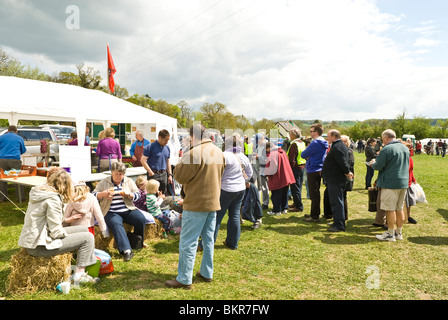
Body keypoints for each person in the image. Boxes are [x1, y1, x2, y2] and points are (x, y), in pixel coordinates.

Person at [165, 124, 225, 290]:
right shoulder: (218, 151)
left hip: (196, 204)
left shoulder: (193, 153)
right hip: (213, 202)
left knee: (188, 242)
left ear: (193, 136)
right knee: (208, 240)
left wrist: (179, 162)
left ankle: (184, 278)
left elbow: (180, 177)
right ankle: (207, 272)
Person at [17, 169, 99, 288]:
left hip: (37, 239)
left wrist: (68, 225)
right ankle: (79, 276)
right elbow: (56, 232)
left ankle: (78, 263)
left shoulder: (41, 192)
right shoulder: (52, 199)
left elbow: (51, 222)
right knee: (88, 237)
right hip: (40, 246)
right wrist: (72, 239)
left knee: (83, 230)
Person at [93, 162, 146, 261]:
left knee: (140, 218)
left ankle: (136, 241)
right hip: (110, 211)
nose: (119, 176)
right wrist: (102, 194)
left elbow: (138, 195)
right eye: (116, 173)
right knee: (116, 223)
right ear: (112, 173)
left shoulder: (129, 181)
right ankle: (126, 250)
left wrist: (129, 195)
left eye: (121, 174)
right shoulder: (104, 182)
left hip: (127, 208)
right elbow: (93, 195)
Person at [212, 134, 253, 250]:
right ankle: (232, 243)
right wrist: (241, 180)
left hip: (226, 189)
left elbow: (216, 172)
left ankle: (208, 243)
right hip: (240, 190)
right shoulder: (243, 156)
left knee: (217, 217)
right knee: (234, 216)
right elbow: (249, 173)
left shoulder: (224, 155)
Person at [370, 129, 409, 241]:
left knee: (390, 209)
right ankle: (399, 233)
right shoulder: (404, 148)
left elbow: (378, 165)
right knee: (399, 208)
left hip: (390, 183)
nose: (383, 142)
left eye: (383, 139)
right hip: (403, 182)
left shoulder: (387, 149)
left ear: (386, 138)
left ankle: (391, 234)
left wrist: (373, 164)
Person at [322, 130, 353, 232]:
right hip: (335, 178)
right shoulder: (338, 145)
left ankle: (339, 225)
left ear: (334, 136)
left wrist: (347, 172)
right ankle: (338, 221)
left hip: (335, 178)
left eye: (328, 136)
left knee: (336, 202)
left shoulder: (337, 146)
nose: (327, 138)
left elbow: (342, 162)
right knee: (336, 201)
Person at [301, 123, 329, 222]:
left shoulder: (315, 143)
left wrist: (309, 156)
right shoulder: (323, 142)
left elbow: (303, 154)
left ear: (316, 132)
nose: (310, 133)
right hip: (319, 168)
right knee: (316, 192)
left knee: (314, 193)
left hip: (313, 169)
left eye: (311, 131)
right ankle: (314, 213)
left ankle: (314, 216)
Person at [265, 141, 295, 216]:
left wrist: (266, 173)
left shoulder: (272, 154)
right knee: (285, 193)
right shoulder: (283, 152)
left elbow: (271, 166)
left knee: (276, 194)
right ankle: (284, 208)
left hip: (277, 177)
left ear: (269, 148)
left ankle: (276, 210)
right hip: (286, 175)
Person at [141, 129, 173, 195]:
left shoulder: (167, 148)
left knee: (163, 195)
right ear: (160, 137)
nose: (167, 142)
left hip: (164, 174)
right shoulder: (149, 147)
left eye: (168, 140)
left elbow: (168, 162)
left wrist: (170, 175)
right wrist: (150, 171)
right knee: (152, 195)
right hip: (153, 174)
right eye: (165, 140)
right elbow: (143, 160)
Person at [0, 125, 26, 203]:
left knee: (2, 179)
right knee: (17, 178)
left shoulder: (1, 137)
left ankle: (2, 198)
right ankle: (20, 198)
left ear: (7, 130)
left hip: (2, 160)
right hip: (14, 160)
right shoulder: (19, 138)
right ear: (16, 131)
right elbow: (23, 150)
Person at [287, 128, 306, 213]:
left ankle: (299, 206)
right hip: (302, 167)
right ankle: (296, 203)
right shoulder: (302, 143)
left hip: (295, 168)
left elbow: (292, 159)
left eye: (290, 134)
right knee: (298, 187)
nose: (289, 136)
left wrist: (289, 169)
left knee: (295, 188)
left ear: (294, 135)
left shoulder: (294, 144)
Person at [251, 133, 270, 209]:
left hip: (263, 169)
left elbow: (267, 159)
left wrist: (258, 157)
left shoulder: (267, 146)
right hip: (256, 168)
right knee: (258, 187)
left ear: (262, 139)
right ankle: (258, 202)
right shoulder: (257, 145)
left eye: (257, 140)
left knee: (264, 187)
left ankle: (265, 203)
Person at [403, 142, 418, 224]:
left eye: (410, 148)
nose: (410, 149)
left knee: (409, 201)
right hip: (402, 182)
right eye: (408, 148)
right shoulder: (402, 158)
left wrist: (413, 179)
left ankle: (408, 216)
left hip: (408, 182)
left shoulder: (410, 158)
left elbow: (411, 170)